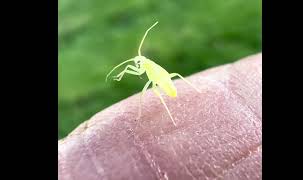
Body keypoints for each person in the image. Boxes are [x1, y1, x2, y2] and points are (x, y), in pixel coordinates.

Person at [58, 53, 262, 180]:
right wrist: (124, 72)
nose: (139, 62)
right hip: (163, 82)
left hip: (164, 83)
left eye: (140, 60)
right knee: (156, 89)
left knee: (160, 87)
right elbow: (138, 69)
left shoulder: (149, 67)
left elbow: (148, 74)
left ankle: (178, 107)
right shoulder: (145, 65)